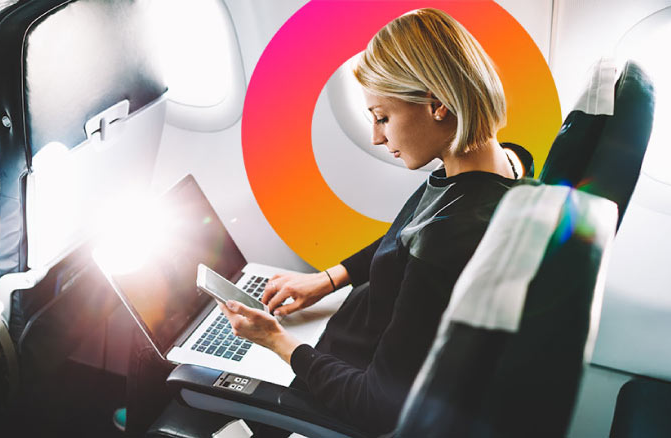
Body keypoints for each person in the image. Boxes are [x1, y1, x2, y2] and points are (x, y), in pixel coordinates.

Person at [218, 8, 527, 435]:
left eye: (383, 117)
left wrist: (275, 342)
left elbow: (376, 405)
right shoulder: (504, 163)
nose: (377, 138)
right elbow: (403, 238)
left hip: (342, 374)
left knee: (197, 388)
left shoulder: (450, 238)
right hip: (348, 331)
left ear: (437, 104)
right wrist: (327, 279)